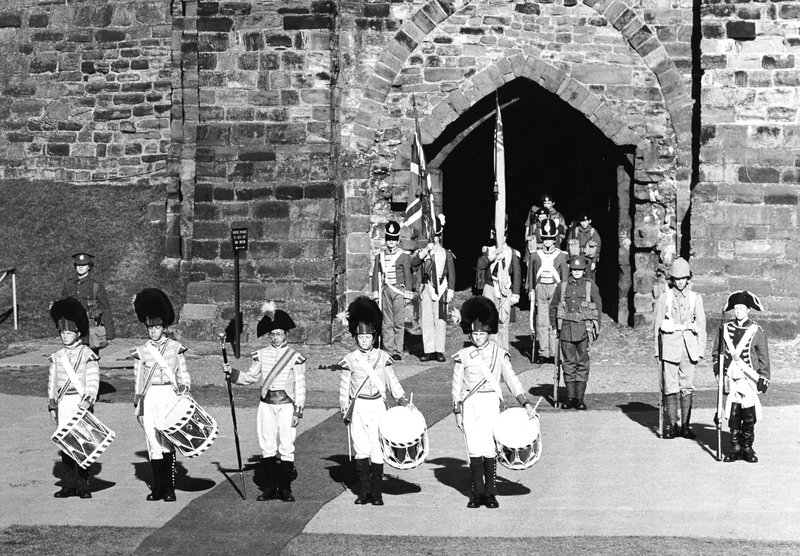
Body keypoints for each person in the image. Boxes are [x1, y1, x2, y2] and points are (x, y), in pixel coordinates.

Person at [452, 295, 535, 509]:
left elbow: (511, 379)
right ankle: (476, 493)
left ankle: (490, 493)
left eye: (482, 333)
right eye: (475, 333)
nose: (478, 338)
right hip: (470, 403)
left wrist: (524, 402)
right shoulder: (463, 355)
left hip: (490, 401)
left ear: (489, 332)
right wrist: (457, 412)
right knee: (473, 447)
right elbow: (457, 386)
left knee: (489, 448)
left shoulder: (499, 353)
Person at [223, 302, 306, 502]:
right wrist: (232, 373)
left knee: (286, 446)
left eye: (279, 333)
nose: (275, 337)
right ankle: (270, 488)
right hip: (266, 405)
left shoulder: (295, 357)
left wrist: (298, 412)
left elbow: (300, 387)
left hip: (286, 405)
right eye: (272, 334)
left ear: (286, 334)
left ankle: (285, 488)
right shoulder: (261, 355)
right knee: (267, 445)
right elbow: (251, 377)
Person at [337, 296, 409, 505]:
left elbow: (392, 381)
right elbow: (344, 388)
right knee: (361, 448)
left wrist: (402, 399)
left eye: (367, 337)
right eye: (360, 338)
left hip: (377, 405)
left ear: (374, 336)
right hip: (358, 405)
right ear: (355, 337)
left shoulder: (382, 357)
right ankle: (364, 492)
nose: (364, 341)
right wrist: (344, 409)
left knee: (377, 448)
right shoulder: (350, 360)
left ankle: (377, 493)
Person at [131, 288, 190, 502]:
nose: (153, 331)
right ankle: (158, 487)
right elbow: (138, 380)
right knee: (152, 442)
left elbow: (183, 375)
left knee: (167, 441)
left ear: (163, 327)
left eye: (157, 327)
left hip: (169, 395)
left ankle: (169, 488)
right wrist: (138, 405)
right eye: (150, 328)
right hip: (150, 396)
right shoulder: (142, 351)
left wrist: (184, 391)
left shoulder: (175, 348)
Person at [47, 297, 100, 499]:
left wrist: (87, 401)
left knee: (82, 445)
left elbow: (93, 381)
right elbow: (52, 383)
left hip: (80, 402)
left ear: (77, 333)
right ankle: (69, 485)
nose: (65, 336)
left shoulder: (87, 354)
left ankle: (83, 485)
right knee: (66, 444)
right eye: (62, 332)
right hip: (63, 403)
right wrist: (52, 406)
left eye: (68, 332)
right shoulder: (57, 356)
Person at [712, 290, 770, 463]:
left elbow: (763, 357)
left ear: (748, 310)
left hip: (748, 378)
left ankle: (747, 447)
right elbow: (717, 353)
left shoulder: (756, 330)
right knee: (734, 412)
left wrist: (764, 376)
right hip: (731, 377)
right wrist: (718, 372)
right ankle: (735, 447)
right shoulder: (725, 328)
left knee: (748, 414)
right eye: (736, 308)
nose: (738, 311)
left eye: (741, 308)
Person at [653, 258, 706, 439]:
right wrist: (657, 351)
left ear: (688, 278)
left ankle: (685, 425)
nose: (680, 282)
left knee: (687, 386)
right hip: (669, 347)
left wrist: (700, 351)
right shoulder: (664, 298)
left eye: (683, 278)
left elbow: (701, 327)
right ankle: (671, 425)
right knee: (670, 386)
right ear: (672, 279)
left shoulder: (695, 298)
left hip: (689, 348)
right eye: (677, 278)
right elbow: (657, 326)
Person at [549, 256, 602, 409]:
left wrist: (596, 329)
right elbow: (553, 307)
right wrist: (554, 326)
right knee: (568, 363)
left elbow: (598, 308)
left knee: (582, 363)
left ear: (584, 271)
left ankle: (579, 399)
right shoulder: (562, 286)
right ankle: (570, 398)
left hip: (584, 330)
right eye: (574, 270)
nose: (577, 273)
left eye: (579, 270)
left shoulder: (589, 286)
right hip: (565, 330)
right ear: (570, 270)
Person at [410, 214, 455, 362]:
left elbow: (452, 273)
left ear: (439, 236)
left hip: (441, 289)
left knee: (440, 320)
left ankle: (439, 350)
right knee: (427, 320)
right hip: (427, 288)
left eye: (436, 236)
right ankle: (428, 350)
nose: (434, 239)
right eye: (432, 236)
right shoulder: (425, 252)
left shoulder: (446, 253)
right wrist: (424, 253)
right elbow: (414, 263)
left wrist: (451, 290)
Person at [370, 220, 414, 360]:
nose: (391, 242)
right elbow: (376, 275)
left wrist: (407, 294)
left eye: (394, 239)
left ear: (397, 240)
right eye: (389, 239)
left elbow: (408, 275)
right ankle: (388, 349)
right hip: (385, 291)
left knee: (398, 322)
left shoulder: (403, 256)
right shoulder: (380, 256)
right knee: (387, 321)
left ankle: (397, 350)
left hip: (399, 291)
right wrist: (376, 293)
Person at [527, 219, 568, 363]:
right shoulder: (535, 255)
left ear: (554, 239)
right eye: (545, 239)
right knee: (542, 322)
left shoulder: (562, 256)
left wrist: (563, 294)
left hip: (555, 289)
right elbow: (531, 274)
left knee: (554, 321)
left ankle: (554, 352)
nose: (548, 242)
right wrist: (531, 289)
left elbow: (564, 277)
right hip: (541, 289)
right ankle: (543, 352)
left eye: (550, 239)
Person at [475, 230, 522, 351]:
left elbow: (517, 274)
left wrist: (516, 293)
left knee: (503, 321)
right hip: (490, 287)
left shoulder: (512, 252)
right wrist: (494, 255)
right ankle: (491, 349)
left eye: (504, 235)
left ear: (507, 236)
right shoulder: (488, 250)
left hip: (505, 288)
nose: (501, 238)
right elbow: (481, 265)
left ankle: (503, 350)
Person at [60, 252, 115, 354]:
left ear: (89, 266)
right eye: (78, 265)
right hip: (73, 330)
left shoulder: (95, 286)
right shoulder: (69, 285)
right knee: (73, 361)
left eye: (83, 265)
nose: (80, 268)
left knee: (91, 362)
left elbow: (106, 309)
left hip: (90, 331)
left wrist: (109, 333)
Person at [566, 213, 602, 280]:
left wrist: (594, 262)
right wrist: (568, 261)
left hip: (588, 259)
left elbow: (597, 249)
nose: (583, 223)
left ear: (589, 221)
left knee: (589, 279)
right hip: (576, 257)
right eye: (582, 221)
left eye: (585, 221)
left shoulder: (593, 232)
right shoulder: (575, 231)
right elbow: (568, 247)